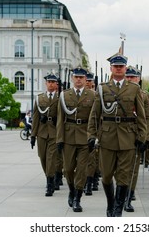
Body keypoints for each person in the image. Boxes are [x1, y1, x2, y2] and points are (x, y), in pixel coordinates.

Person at [87, 53, 146, 217]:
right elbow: (94, 114)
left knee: (124, 176)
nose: (119, 69)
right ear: (111, 68)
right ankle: (111, 203)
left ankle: (118, 210)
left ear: (125, 68)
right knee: (106, 176)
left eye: (121, 66)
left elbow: (141, 116)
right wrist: (91, 135)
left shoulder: (134, 88)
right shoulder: (103, 88)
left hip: (128, 137)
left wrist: (143, 137)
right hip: (107, 137)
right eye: (116, 66)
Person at [56, 66, 96, 213]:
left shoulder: (92, 96)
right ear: (73, 78)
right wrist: (59, 139)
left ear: (86, 79)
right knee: (67, 169)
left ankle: (77, 198)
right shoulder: (64, 95)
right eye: (76, 77)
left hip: (85, 137)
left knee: (81, 170)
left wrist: (93, 137)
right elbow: (60, 119)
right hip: (68, 137)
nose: (79, 80)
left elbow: (95, 119)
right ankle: (72, 190)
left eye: (81, 77)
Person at [123, 65, 149, 212]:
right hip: (120, 135)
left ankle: (129, 196)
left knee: (133, 168)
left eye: (133, 77)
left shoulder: (144, 95)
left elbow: (147, 117)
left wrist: (145, 137)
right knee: (119, 169)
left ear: (138, 79)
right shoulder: (118, 92)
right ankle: (122, 193)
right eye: (127, 77)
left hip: (136, 134)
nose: (130, 79)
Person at [30, 73, 59, 197]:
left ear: (56, 84)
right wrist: (33, 135)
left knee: (51, 158)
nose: (51, 84)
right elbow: (35, 117)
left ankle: (50, 183)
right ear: (46, 83)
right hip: (42, 133)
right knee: (42, 157)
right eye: (49, 82)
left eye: (53, 82)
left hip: (54, 133)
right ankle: (49, 176)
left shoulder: (60, 98)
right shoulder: (39, 98)